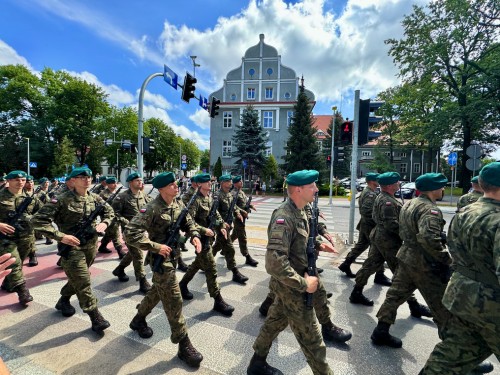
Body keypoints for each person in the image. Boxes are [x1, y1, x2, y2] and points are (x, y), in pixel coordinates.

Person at [247, 170, 336, 375]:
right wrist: (305, 285)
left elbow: (302, 241)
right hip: (294, 287)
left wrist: (320, 244)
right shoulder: (283, 217)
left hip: (297, 280)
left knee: (274, 322)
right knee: (313, 340)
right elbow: (274, 263)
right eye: (312, 185)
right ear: (298, 189)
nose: (316, 189)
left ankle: (256, 363)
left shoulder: (301, 210)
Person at [420, 163, 499, 375]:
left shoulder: (466, 211)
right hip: (492, 305)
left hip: (463, 297)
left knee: (446, 362)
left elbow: (453, 247)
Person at [125, 172, 203, 368]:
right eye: (172, 185)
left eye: (176, 183)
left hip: (174, 256)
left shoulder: (177, 203)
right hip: (160, 260)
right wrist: (154, 246)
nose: (176, 187)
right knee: (174, 298)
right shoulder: (151, 208)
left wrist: (194, 235)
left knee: (157, 292)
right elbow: (129, 234)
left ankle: (138, 319)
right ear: (161, 189)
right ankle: (183, 344)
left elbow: (188, 221)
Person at [32, 167, 114, 334]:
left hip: (91, 245)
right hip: (71, 247)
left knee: (78, 277)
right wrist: (61, 236)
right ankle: (95, 316)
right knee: (84, 281)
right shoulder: (61, 200)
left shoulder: (95, 198)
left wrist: (104, 223)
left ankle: (64, 300)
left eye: (89, 176)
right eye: (82, 176)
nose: (87, 179)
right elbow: (37, 221)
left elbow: (110, 212)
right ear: (72, 180)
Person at [349, 172, 431, 318]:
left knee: (370, 265)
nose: (399, 183)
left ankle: (356, 291)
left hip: (381, 238)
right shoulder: (387, 201)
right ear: (389, 186)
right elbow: (391, 224)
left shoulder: (386, 197)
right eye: (396, 182)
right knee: (401, 273)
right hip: (388, 241)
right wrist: (407, 233)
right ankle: (414, 305)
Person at [178, 173, 235, 316]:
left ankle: (183, 284)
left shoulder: (209, 197)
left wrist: (221, 224)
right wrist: (204, 230)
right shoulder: (194, 200)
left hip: (208, 238)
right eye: (206, 182)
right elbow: (188, 221)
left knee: (198, 263)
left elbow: (215, 214)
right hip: (199, 238)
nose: (210, 183)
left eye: (210, 181)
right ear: (199, 184)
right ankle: (218, 300)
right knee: (211, 268)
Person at [338, 172, 390, 285]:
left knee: (361, 245)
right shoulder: (370, 194)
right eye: (377, 179)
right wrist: (377, 222)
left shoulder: (370, 192)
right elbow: (366, 211)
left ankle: (346, 264)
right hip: (369, 225)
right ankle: (379, 275)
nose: (379, 181)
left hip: (366, 225)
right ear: (372, 181)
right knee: (378, 249)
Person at [0, 170, 41, 306]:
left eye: (23, 180)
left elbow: (42, 213)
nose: (21, 182)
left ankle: (8, 283)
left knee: (19, 263)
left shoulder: (30, 198)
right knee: (14, 262)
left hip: (26, 237)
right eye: (17, 180)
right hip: (5, 238)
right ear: (9, 181)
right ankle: (23, 292)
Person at [110, 173, 152, 293]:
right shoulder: (122, 197)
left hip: (142, 230)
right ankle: (142, 281)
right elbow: (114, 214)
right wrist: (127, 222)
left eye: (141, 180)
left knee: (132, 253)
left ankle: (120, 269)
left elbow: (152, 207)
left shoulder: (143, 195)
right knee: (138, 255)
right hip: (129, 232)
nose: (140, 182)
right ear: (130, 183)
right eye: (137, 180)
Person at [211, 174, 247, 284]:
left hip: (228, 224)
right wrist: (222, 224)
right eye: (228, 181)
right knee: (230, 248)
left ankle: (204, 261)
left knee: (218, 245)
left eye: (231, 181)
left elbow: (233, 206)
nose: (231, 183)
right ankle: (235, 273)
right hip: (220, 226)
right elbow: (214, 212)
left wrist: (238, 213)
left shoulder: (229, 194)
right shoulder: (217, 195)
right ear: (222, 183)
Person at [230, 175, 259, 267]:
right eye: (239, 181)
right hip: (238, 218)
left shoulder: (241, 192)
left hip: (243, 216)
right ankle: (247, 257)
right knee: (242, 237)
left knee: (235, 234)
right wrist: (242, 212)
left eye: (241, 181)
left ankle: (224, 247)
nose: (241, 182)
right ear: (235, 183)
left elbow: (245, 203)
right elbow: (233, 206)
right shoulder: (233, 193)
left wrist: (250, 206)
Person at [97, 176, 125, 258]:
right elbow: (99, 207)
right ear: (108, 184)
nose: (115, 184)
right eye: (113, 183)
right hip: (108, 217)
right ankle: (120, 251)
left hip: (118, 216)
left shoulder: (117, 192)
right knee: (115, 234)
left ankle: (102, 247)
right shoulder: (103, 194)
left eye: (116, 183)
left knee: (110, 233)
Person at [23, 175, 40, 267]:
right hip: (18, 219)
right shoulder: (20, 194)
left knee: (30, 237)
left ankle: (32, 255)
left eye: (32, 182)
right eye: (28, 182)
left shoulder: (36, 195)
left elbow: (40, 208)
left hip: (30, 220)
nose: (30, 184)